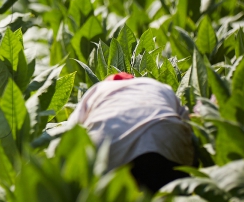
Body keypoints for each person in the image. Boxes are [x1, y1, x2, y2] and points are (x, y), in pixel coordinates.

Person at [67, 72, 195, 193]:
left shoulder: (97, 90)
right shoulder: (156, 86)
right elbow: (190, 127)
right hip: (164, 137)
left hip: (110, 147)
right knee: (172, 201)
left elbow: (70, 133)